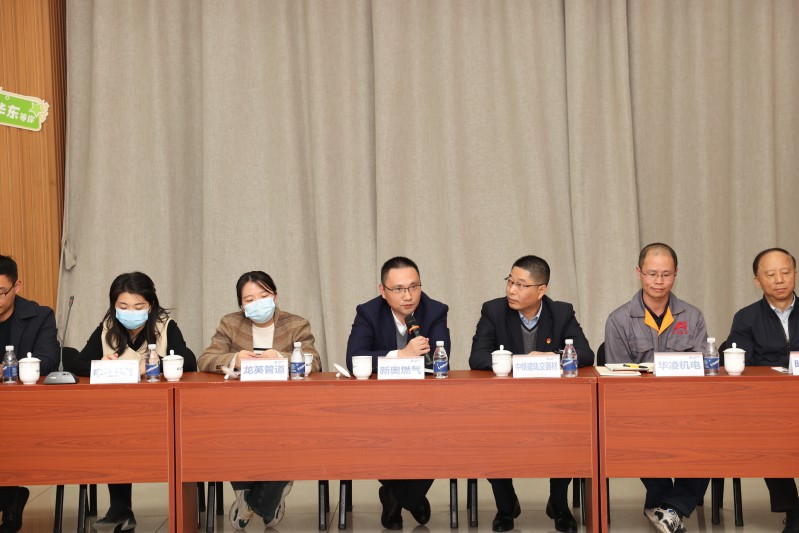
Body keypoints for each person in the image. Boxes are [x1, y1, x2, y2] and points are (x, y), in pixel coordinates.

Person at [469, 255, 593, 533]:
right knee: (487, 432)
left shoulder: (561, 312)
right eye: (510, 281)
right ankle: (506, 506)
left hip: (552, 407)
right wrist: (522, 361)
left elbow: (586, 354)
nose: (511, 290)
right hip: (504, 406)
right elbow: (477, 357)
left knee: (570, 429)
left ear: (541, 290)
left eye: (521, 285)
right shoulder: (493, 311)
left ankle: (558, 505)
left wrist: (553, 355)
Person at [68, 271, 197, 531]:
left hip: (162, 414)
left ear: (151, 305)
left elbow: (190, 362)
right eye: (123, 306)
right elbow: (77, 363)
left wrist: (152, 364)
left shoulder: (165, 326)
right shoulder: (108, 327)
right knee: (113, 432)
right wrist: (100, 363)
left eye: (138, 307)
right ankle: (120, 509)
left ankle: (171, 508)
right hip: (119, 413)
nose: (131, 312)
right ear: (114, 306)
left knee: (123, 432)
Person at [198, 270, 320, 530]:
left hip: (286, 411)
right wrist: (234, 359)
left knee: (292, 437)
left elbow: (315, 363)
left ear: (275, 296)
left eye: (263, 296)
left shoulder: (296, 324)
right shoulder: (230, 324)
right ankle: (267, 500)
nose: (257, 303)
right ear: (242, 306)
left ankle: (253, 503)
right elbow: (206, 359)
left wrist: (281, 356)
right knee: (229, 432)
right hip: (240, 410)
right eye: (249, 300)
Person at [604, 243, 709, 533]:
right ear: (639, 273)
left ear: (676, 273)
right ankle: (667, 506)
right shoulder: (618, 320)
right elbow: (617, 380)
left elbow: (702, 369)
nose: (659, 281)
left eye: (666, 274)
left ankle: (667, 507)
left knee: (711, 435)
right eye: (652, 274)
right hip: (638, 410)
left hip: (685, 408)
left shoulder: (692, 316)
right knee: (635, 431)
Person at [345, 256, 450, 530]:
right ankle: (409, 497)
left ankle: (396, 496)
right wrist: (401, 355)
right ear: (383, 290)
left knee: (439, 437)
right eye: (399, 289)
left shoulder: (435, 310)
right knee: (373, 437)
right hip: (379, 405)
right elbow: (354, 358)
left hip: (424, 404)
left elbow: (441, 359)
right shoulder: (368, 312)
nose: (408, 296)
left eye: (414, 287)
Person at [725, 247, 799, 533]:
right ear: (758, 281)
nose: (779, 280)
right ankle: (794, 512)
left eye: (785, 272)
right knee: (766, 435)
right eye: (770, 274)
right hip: (768, 404)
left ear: (794, 274)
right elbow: (741, 365)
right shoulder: (746, 318)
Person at [0, 254, 59, 532]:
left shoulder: (40, 316)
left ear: (17, 286)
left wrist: (6, 369)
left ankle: (9, 496)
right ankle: (9, 498)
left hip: (23, 410)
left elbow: (48, 362)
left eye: (1, 292)